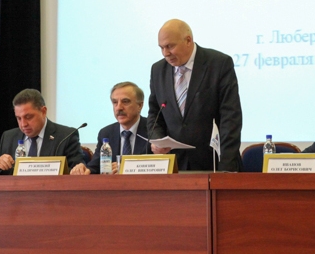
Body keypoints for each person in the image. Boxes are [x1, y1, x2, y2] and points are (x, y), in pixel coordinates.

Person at [148, 19, 243, 172]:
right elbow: (155, 113)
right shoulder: (158, 70)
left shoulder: (219, 63)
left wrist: (226, 166)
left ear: (188, 40)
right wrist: (157, 140)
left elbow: (230, 118)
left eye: (170, 46)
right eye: (162, 48)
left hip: (213, 162)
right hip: (174, 166)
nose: (166, 53)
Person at [0, 89, 84, 175]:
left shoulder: (66, 136)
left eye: (28, 117)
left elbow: (78, 171)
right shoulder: (9, 137)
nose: (23, 124)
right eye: (19, 118)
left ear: (43, 111)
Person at [71, 81, 148, 175]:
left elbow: (158, 164)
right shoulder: (106, 133)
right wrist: (84, 169)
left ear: (140, 105)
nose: (119, 107)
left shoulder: (153, 130)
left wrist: (126, 167)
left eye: (125, 102)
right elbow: (95, 166)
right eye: (115, 102)